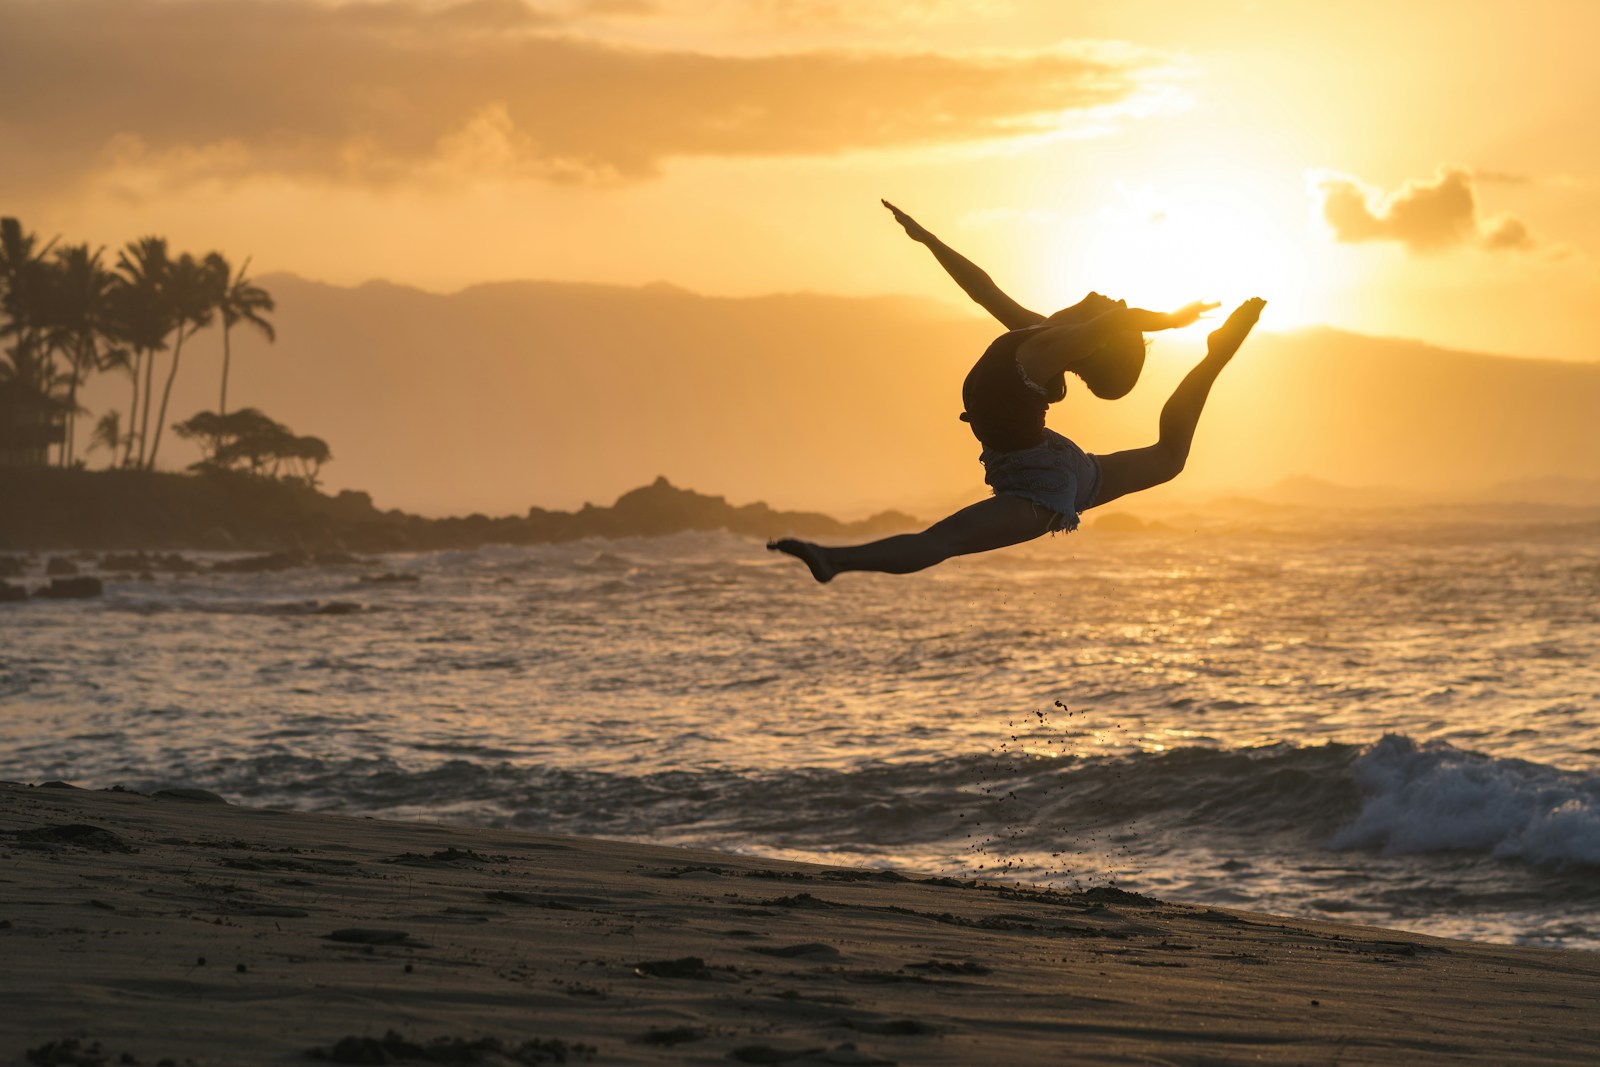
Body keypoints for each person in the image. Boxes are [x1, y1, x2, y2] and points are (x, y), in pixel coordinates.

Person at [768, 203, 1265, 583]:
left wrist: (1171, 320)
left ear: (1099, 339)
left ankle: (833, 560)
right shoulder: (1039, 337)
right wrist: (928, 240)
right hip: (1050, 462)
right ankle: (1217, 355)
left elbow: (1117, 318)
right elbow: (982, 289)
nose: (1113, 296)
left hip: (1039, 483)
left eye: (1113, 306)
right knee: (1168, 457)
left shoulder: (1050, 351)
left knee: (940, 542)